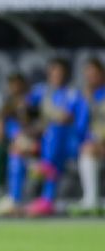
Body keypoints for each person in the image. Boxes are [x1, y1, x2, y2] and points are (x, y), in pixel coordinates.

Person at [21, 58, 85, 217]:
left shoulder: (72, 93)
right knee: (17, 147)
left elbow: (68, 119)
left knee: (54, 131)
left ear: (66, 75)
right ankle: (17, 199)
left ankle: (47, 198)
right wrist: (28, 129)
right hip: (42, 140)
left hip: (68, 142)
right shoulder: (41, 91)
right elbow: (23, 108)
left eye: (59, 73)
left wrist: (50, 118)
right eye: (52, 72)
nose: (55, 76)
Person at [0, 73, 37, 217]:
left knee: (16, 153)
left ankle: (16, 199)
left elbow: (35, 126)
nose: (15, 89)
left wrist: (22, 111)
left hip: (34, 145)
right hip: (12, 146)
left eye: (17, 85)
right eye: (12, 85)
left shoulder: (33, 102)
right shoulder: (7, 108)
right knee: (3, 152)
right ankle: (1, 195)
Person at [72, 59, 104, 215]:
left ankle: (92, 200)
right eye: (88, 75)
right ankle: (91, 200)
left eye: (94, 74)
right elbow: (80, 127)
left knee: (89, 149)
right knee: (87, 149)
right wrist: (86, 101)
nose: (90, 78)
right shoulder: (82, 97)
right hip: (94, 145)